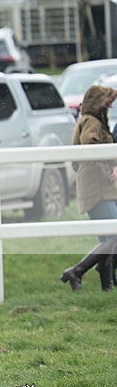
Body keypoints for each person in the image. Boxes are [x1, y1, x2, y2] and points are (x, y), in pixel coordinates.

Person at [60, 85, 117, 291]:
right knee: (114, 236)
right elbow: (90, 146)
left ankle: (107, 287)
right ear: (97, 102)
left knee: (108, 239)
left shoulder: (89, 120)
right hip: (97, 188)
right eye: (107, 101)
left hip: (99, 187)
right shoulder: (92, 122)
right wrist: (110, 166)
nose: (110, 104)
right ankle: (77, 270)